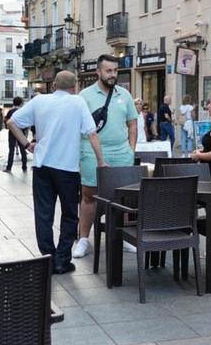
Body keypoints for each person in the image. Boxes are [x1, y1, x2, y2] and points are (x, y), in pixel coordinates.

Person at [8, 71, 106, 274]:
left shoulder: (39, 101)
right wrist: (101, 161)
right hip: (67, 169)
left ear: (54, 85)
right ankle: (62, 260)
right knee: (70, 214)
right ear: (75, 86)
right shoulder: (78, 102)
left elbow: (11, 122)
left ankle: (48, 258)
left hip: (42, 166)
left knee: (44, 214)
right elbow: (92, 133)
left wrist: (27, 144)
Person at [77, 55, 139, 258]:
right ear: (98, 71)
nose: (113, 74)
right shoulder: (84, 96)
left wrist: (131, 149)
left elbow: (132, 123)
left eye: (115, 70)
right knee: (88, 196)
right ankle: (84, 239)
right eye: (108, 71)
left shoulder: (125, 94)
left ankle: (124, 237)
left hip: (122, 153)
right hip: (91, 152)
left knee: (125, 197)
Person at [3, 96, 29, 173]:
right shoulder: (23, 111)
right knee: (23, 149)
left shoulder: (11, 111)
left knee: (11, 150)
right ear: (21, 103)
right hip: (21, 132)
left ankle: (9, 168)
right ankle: (24, 167)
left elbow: (6, 120)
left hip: (12, 132)